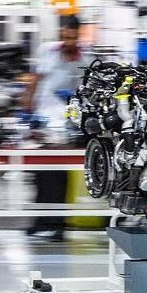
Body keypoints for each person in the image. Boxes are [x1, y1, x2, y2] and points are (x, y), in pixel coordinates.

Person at [24, 13, 87, 241]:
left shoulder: (85, 58)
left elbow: (88, 90)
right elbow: (35, 79)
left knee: (60, 174)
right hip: (43, 120)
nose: (68, 41)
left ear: (78, 34)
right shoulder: (47, 51)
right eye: (65, 36)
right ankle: (40, 222)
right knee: (40, 173)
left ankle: (58, 224)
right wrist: (27, 107)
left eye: (72, 37)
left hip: (67, 124)